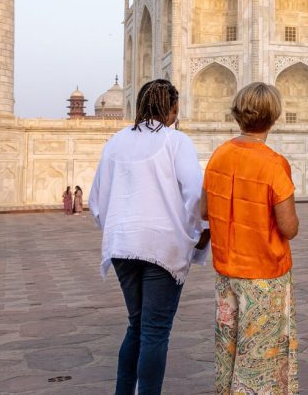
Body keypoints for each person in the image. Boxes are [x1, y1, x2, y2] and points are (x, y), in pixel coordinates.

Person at [89, 79, 204, 395]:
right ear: (172, 110)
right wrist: (194, 231)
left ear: (139, 106)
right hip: (162, 247)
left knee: (137, 326)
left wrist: (119, 230)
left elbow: (97, 202)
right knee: (155, 331)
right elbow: (195, 192)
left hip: (123, 246)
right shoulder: (175, 141)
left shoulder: (116, 141)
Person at [203, 82, 300, 394]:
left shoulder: (219, 156)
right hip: (264, 276)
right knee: (260, 359)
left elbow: (204, 211)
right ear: (273, 117)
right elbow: (288, 227)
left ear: (237, 114)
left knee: (228, 351)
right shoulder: (273, 164)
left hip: (227, 272)